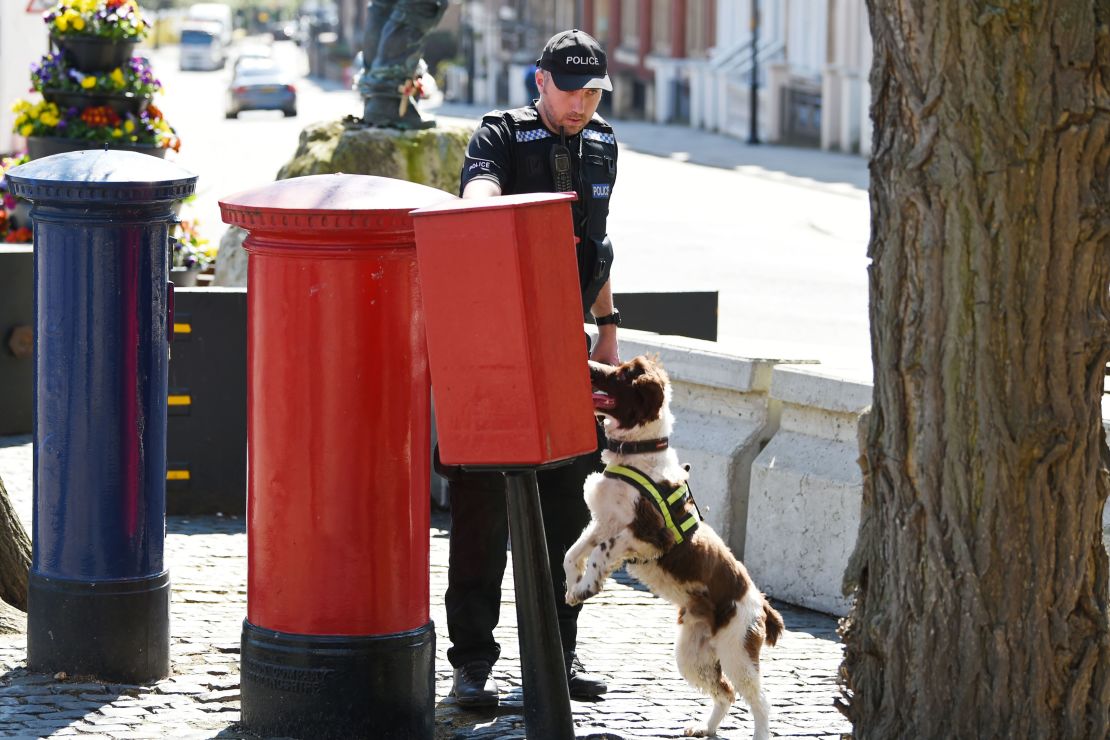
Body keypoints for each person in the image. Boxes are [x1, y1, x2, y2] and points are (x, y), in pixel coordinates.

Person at [440, 28, 621, 708]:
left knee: (569, 518)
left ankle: (557, 660)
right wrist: (496, 214)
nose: (580, 105)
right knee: (482, 515)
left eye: (593, 93)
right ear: (539, 81)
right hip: (494, 353)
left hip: (564, 353)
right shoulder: (500, 135)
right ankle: (473, 666)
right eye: (571, 91)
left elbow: (599, 246)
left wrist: (607, 328)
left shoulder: (602, 140)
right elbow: (476, 195)